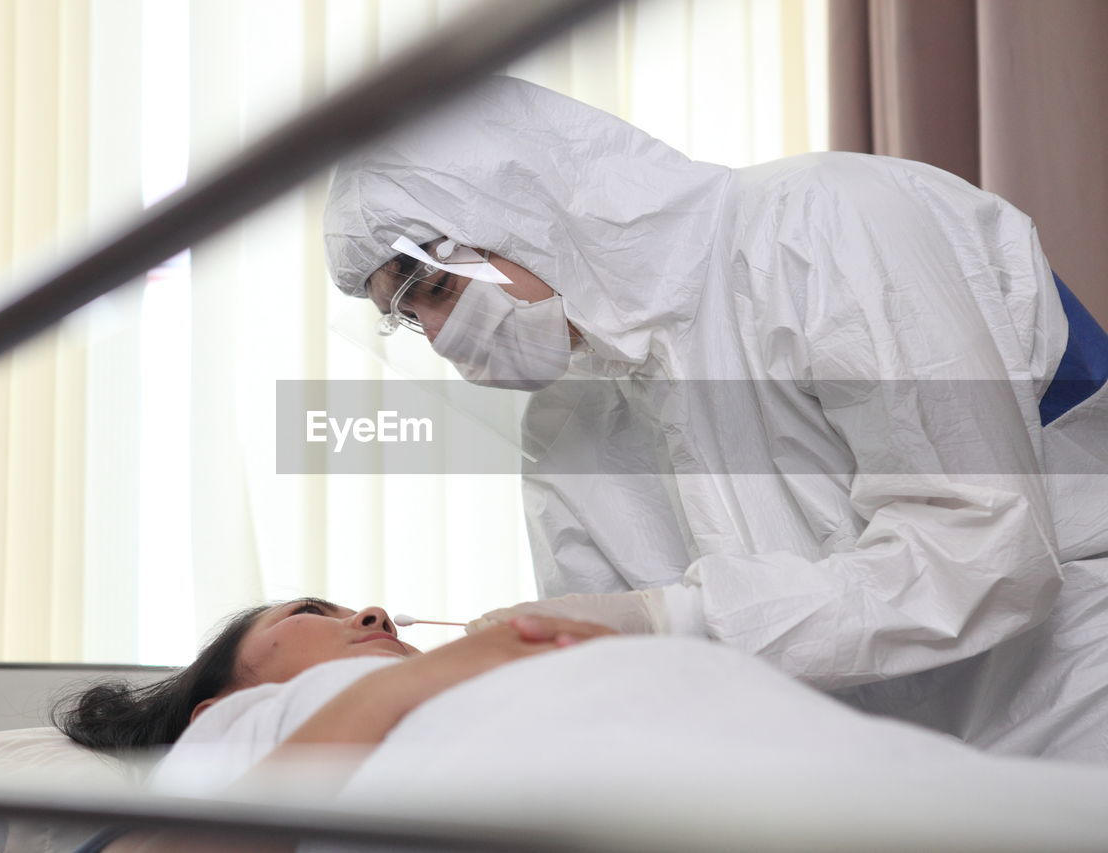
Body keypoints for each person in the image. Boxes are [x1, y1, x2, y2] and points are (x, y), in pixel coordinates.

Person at [322, 75, 1108, 761]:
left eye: (433, 289)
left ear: (524, 203)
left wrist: (671, 618)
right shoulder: (568, 418)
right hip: (867, 763)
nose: (434, 335)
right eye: (404, 315)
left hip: (1069, 692)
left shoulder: (825, 225)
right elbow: (618, 677)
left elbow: (986, 551)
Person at [58, 598, 1108, 853]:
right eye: (312, 613)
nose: (367, 611)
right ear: (214, 699)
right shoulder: (238, 723)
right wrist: (402, 687)